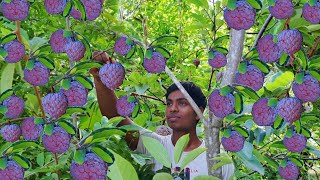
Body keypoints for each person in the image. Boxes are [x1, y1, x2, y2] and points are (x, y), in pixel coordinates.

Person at [91, 52, 234, 180]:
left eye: (182, 103)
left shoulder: (218, 159)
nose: (173, 109)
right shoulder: (155, 146)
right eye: (169, 103)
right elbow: (116, 118)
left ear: (199, 112)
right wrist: (100, 80)